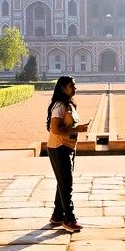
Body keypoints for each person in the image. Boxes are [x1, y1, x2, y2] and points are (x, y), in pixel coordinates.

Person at [46, 75, 89, 232]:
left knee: (63, 181)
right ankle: (69, 219)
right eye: (72, 86)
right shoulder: (59, 106)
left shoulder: (69, 104)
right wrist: (77, 129)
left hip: (68, 147)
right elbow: (55, 129)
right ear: (63, 88)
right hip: (59, 147)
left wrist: (78, 127)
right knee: (67, 183)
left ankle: (57, 215)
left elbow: (68, 125)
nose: (75, 88)